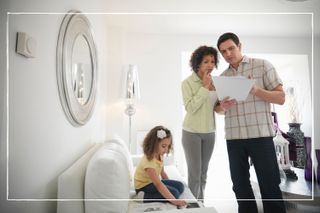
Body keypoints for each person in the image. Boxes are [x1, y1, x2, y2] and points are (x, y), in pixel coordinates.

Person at [215, 32, 286, 213]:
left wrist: (255, 90)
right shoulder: (222, 77)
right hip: (234, 138)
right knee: (240, 188)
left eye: (231, 48)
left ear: (240, 46)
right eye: (223, 51)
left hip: (260, 136)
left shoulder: (263, 66)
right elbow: (218, 109)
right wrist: (223, 106)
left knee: (269, 186)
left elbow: (281, 98)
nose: (228, 54)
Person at [181, 45, 219, 200]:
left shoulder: (216, 83)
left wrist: (225, 105)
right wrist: (204, 87)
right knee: (194, 174)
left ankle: (200, 204)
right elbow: (191, 108)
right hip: (192, 132)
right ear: (197, 64)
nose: (210, 65)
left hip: (210, 132)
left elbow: (217, 108)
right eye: (206, 61)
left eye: (212, 61)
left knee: (203, 173)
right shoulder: (187, 83)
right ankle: (192, 206)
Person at [134, 125, 187, 207]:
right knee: (175, 194)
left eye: (168, 146)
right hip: (143, 187)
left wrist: (169, 186)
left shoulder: (160, 155)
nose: (166, 150)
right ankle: (144, 197)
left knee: (180, 186)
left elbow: (162, 173)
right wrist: (174, 200)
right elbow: (158, 184)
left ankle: (170, 192)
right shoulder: (149, 162)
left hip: (152, 182)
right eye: (163, 146)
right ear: (154, 144)